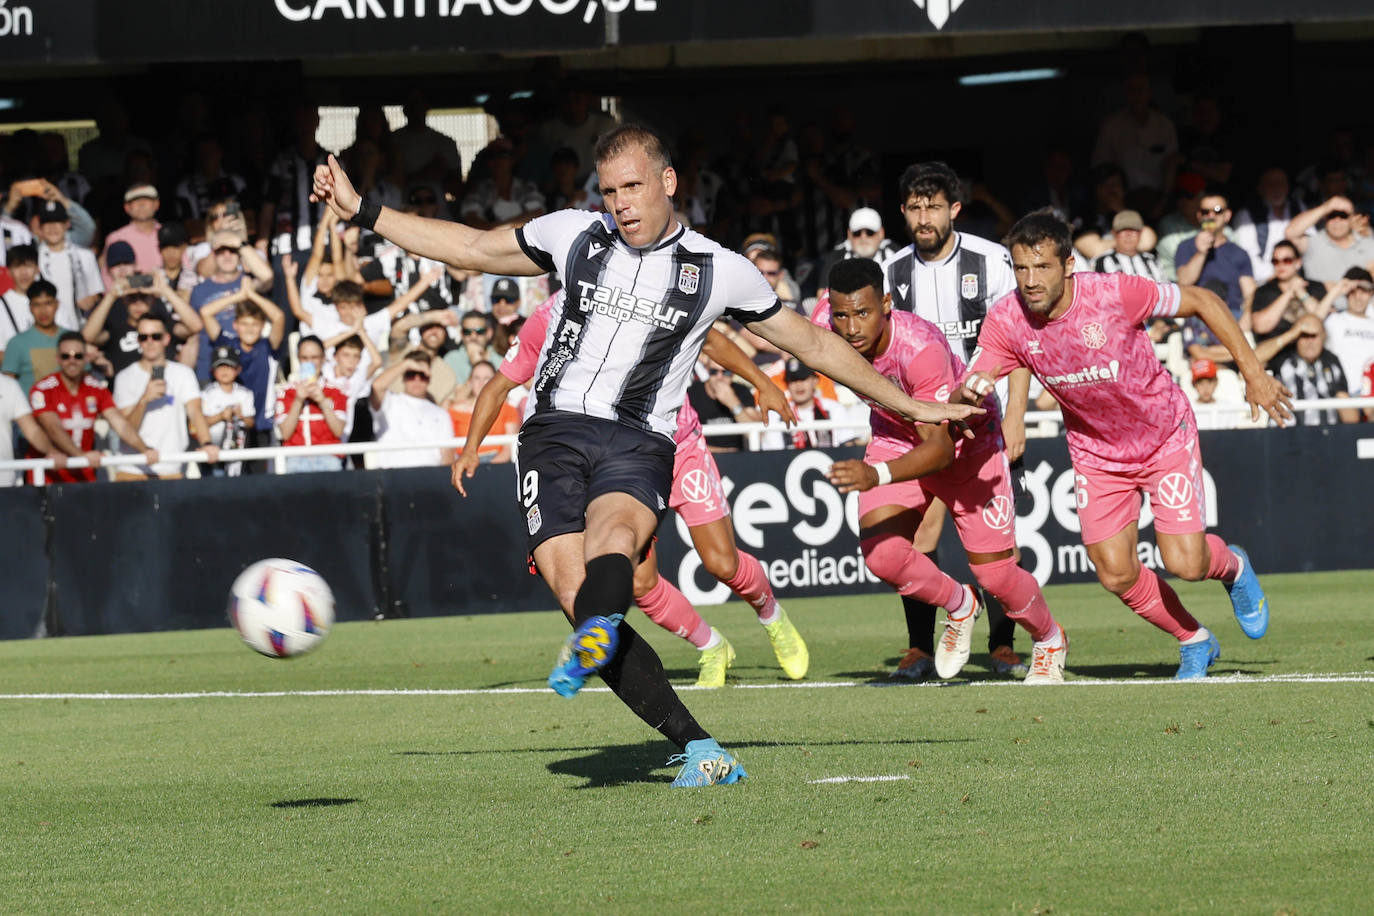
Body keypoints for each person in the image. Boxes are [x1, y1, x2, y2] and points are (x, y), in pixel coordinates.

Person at [312, 122, 979, 786]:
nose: (620, 202)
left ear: (667, 182)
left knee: (615, 538)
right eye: (609, 190)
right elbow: (467, 246)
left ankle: (605, 635)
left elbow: (813, 343)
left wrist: (913, 404)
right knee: (578, 592)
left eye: (632, 186)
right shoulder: (573, 233)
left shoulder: (719, 270)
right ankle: (695, 742)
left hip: (640, 438)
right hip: (553, 434)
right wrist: (363, 210)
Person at [956, 209, 1293, 679]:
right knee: (1115, 573)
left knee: (1187, 563)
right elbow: (977, 376)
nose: (1030, 280)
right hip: (1097, 454)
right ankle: (1194, 639)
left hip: (1163, 437)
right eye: (1021, 268)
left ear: (1069, 264)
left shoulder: (1114, 292)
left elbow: (1202, 300)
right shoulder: (1006, 317)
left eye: (1043, 267)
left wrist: (1253, 373)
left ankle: (1233, 566)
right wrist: (966, 396)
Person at [457, 292, 809, 688]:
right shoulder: (549, 315)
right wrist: (471, 448)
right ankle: (711, 646)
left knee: (721, 563)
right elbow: (499, 384)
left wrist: (762, 382)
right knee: (639, 582)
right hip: (620, 457)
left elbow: (709, 340)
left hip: (680, 443)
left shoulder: (642, 292)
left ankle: (772, 617)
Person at [822, 257, 1071, 683]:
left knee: (996, 573)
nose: (851, 327)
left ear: (886, 303)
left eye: (863, 313)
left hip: (966, 445)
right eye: (841, 315)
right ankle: (960, 605)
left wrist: (876, 476)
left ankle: (1049, 638)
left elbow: (939, 451)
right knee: (883, 555)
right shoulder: (825, 327)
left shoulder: (921, 352)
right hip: (896, 435)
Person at [860, 161, 1032, 679]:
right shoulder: (891, 272)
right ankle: (919, 649)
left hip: (980, 424)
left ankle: (1002, 645)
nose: (924, 216)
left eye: (933, 205)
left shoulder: (991, 260)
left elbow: (1018, 342)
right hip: (918, 427)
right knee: (914, 541)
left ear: (955, 208)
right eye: (914, 207)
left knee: (998, 548)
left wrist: (1018, 416)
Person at [31, 331, 159, 482]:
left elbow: (120, 424)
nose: (72, 361)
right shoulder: (43, 389)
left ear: (86, 358)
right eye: (66, 356)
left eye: (78, 356)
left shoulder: (96, 388)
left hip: (84, 475)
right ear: (58, 359)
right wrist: (81, 456)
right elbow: (53, 429)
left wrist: (144, 449)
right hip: (49, 475)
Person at [112, 314, 219, 480]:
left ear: (166, 339)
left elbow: (195, 413)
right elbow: (124, 430)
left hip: (171, 467)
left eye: (156, 336)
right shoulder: (124, 377)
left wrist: (207, 443)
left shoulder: (183, 373)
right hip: (131, 468)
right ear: (138, 341)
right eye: (143, 337)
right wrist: (144, 400)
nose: (149, 342)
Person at [1175, 189, 1255, 326]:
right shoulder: (1186, 246)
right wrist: (1201, 252)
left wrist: (1247, 315)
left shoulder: (1239, 252)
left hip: (1231, 315)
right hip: (1197, 316)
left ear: (1227, 215)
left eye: (1217, 210)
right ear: (1199, 216)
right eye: (1206, 212)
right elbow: (1184, 282)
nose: (1211, 215)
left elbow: (1249, 291)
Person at [369, 350, 455, 468]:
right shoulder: (390, 401)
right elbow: (377, 386)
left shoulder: (441, 414)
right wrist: (406, 364)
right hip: (393, 474)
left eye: (422, 375)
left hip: (430, 475)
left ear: (429, 378)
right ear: (403, 376)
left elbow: (447, 454)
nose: (417, 379)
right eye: (411, 374)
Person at [276, 335, 348, 473]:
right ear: (298, 359)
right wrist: (298, 401)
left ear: (323, 359)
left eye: (314, 357)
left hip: (329, 457)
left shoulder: (337, 390)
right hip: (295, 459)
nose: (310, 363)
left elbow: (338, 430)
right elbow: (285, 433)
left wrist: (322, 402)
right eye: (305, 358)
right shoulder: (286, 392)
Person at [1273, 316, 1362, 426]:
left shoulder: (1331, 361)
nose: (1309, 341)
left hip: (1327, 434)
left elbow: (1351, 418)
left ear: (1323, 336)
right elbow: (1251, 362)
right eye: (1304, 335)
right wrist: (1289, 335)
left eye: (1314, 336)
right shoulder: (1282, 358)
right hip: (1288, 434)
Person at [760, 358, 864, 450]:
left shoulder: (834, 409)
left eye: (803, 379)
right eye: (793, 381)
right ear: (787, 384)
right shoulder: (778, 415)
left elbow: (847, 445)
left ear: (815, 381)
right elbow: (773, 452)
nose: (799, 385)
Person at [34, 200, 101, 330]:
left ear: (67, 224)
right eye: (47, 223)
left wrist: (90, 300)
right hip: (43, 330)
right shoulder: (34, 258)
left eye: (57, 222)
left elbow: (95, 294)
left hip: (77, 329)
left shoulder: (86, 256)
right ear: (40, 228)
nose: (52, 228)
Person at [1283, 195, 1374, 285]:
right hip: (1320, 299)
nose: (1337, 220)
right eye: (1332, 215)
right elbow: (1290, 233)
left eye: (1343, 215)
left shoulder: (1368, 244)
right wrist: (1326, 207)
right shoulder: (1313, 243)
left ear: (1352, 218)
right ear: (1325, 218)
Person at [199, 344, 256, 477]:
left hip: (238, 452)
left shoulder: (245, 394)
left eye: (229, 367)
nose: (225, 371)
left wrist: (240, 415)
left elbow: (251, 423)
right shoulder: (207, 393)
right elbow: (199, 424)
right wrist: (220, 416)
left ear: (238, 370)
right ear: (213, 371)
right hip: (214, 452)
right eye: (220, 367)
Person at [3, 280, 65, 395]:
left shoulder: (70, 339)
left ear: (57, 304)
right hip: (31, 411)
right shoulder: (17, 343)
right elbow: (6, 387)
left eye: (48, 303)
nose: (43, 311)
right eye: (37, 305)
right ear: (30, 307)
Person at [816, 207, 897, 291]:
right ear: (849, 235)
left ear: (881, 233)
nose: (863, 237)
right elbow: (822, 294)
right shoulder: (836, 257)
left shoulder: (895, 254)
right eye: (857, 233)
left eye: (870, 232)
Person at [1322, 267, 1374, 394]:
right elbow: (1310, 324)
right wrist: (1336, 291)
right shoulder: (1334, 320)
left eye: (1364, 291)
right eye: (1353, 292)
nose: (1358, 297)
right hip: (1344, 395)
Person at [1090, 210, 1164, 280]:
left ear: (1140, 233)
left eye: (1133, 229)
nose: (1128, 234)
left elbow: (1163, 287)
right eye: (1123, 229)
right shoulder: (1101, 261)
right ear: (1114, 233)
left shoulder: (1152, 260)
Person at [0, 243, 38, 361]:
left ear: (37, 269)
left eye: (28, 266)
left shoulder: (53, 302)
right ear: (8, 272)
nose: (23, 273)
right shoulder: (1, 305)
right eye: (17, 267)